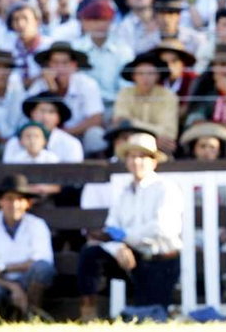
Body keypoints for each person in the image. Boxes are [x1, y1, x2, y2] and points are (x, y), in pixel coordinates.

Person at [77, 132, 183, 322]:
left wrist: (124, 237)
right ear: (126, 161)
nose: (137, 162)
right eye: (132, 156)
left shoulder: (166, 189)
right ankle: (88, 312)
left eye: (142, 156)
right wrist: (119, 247)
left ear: (154, 161)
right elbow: (111, 228)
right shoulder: (123, 193)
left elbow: (161, 228)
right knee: (90, 253)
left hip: (159, 260)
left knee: (150, 315)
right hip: (131, 257)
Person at [0, 175, 56, 320]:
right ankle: (3, 317)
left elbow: (42, 261)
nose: (14, 204)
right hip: (0, 285)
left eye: (19, 199)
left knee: (42, 269)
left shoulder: (37, 224)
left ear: (27, 203)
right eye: (9, 198)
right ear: (0, 201)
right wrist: (13, 287)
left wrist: (3, 268)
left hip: (28, 281)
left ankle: (31, 313)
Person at [29, 42, 106, 154]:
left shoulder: (87, 83)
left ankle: (96, 167)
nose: (60, 68)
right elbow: (32, 116)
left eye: (65, 63)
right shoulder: (39, 85)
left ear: (74, 65)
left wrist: (66, 133)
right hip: (47, 137)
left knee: (95, 135)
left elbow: (96, 118)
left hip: (80, 134)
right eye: (55, 63)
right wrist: (51, 89)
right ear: (48, 65)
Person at [72, 0, 134, 115]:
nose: (99, 25)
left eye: (104, 20)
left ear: (111, 22)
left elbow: (127, 88)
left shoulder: (123, 50)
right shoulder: (76, 49)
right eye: (93, 20)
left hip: (115, 107)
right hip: (83, 109)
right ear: (84, 23)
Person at [114, 52, 179, 154]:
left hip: (159, 146)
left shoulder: (168, 96)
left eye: (150, 73)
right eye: (140, 73)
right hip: (131, 143)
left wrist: (133, 124)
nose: (145, 78)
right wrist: (152, 137)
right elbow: (121, 124)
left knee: (168, 145)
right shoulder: (125, 93)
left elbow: (169, 133)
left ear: (158, 75)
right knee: (120, 141)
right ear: (133, 76)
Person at [3, 91, 84, 163]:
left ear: (58, 118)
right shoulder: (14, 143)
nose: (45, 116)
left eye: (51, 112)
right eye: (41, 111)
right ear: (32, 113)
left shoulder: (71, 144)